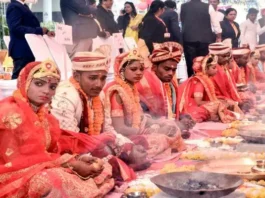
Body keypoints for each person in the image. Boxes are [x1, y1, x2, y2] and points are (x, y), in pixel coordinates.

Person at [0, 60, 115, 197]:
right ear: (26, 82)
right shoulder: (10, 113)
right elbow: (20, 160)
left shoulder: (47, 118)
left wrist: (76, 160)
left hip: (42, 166)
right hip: (11, 175)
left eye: (52, 87)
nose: (46, 91)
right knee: (48, 180)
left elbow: (53, 151)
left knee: (103, 167)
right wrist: (71, 164)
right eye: (39, 84)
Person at [51, 46, 150, 171]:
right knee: (112, 163)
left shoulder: (100, 94)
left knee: (132, 149)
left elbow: (107, 129)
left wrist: (129, 146)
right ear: (76, 76)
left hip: (92, 149)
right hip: (67, 155)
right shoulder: (65, 97)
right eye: (92, 78)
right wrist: (101, 159)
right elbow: (70, 143)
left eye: (103, 78)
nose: (98, 84)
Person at [104, 49, 186, 158]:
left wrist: (160, 124)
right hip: (122, 137)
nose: (138, 72)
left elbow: (140, 117)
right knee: (159, 140)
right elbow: (119, 128)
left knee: (170, 125)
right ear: (121, 70)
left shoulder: (132, 88)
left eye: (141, 69)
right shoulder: (117, 92)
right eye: (133, 69)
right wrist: (151, 130)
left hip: (136, 130)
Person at [178, 55, 243, 123]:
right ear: (205, 69)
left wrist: (220, 101)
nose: (217, 70)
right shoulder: (200, 82)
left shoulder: (207, 79)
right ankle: (232, 117)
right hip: (196, 109)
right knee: (219, 104)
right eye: (214, 68)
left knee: (227, 101)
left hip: (205, 107)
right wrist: (215, 102)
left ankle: (239, 117)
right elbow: (198, 102)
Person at [6, 0, 54, 79]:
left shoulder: (22, 6)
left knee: (27, 79)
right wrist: (38, 30)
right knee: (20, 79)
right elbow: (15, 28)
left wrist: (45, 31)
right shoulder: (14, 6)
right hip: (22, 49)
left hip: (28, 49)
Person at [180, 0, 222, 77]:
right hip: (205, 39)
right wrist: (218, 36)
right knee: (204, 62)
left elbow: (182, 21)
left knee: (190, 62)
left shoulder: (183, 6)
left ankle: (192, 81)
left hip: (188, 38)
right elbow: (215, 23)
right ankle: (204, 80)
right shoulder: (208, 6)